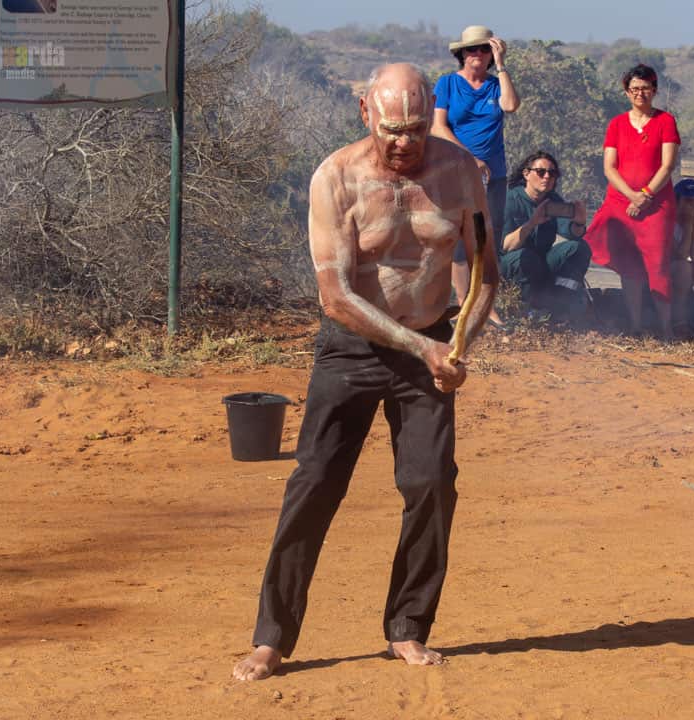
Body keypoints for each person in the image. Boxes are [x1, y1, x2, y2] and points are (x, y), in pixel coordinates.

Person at [232, 63, 498, 682]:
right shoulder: (336, 178)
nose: (404, 142)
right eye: (391, 130)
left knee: (433, 484)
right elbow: (335, 297)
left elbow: (485, 270)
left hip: (432, 344)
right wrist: (420, 348)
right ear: (364, 113)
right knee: (315, 483)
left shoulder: (460, 173)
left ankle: (408, 627)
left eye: (414, 129)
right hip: (352, 349)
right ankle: (271, 637)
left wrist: (460, 341)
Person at [431, 24, 519, 328]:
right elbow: (437, 126)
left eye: (485, 49)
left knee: (486, 240)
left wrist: (502, 64)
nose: (478, 55)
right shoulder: (447, 84)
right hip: (456, 173)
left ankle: (485, 307)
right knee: (459, 240)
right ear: (461, 54)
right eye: (472, 49)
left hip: (494, 176)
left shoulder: (496, 85)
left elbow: (511, 105)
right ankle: (463, 304)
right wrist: (470, 159)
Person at [583, 64, 680, 338]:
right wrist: (632, 196)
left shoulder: (665, 122)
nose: (640, 94)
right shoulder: (616, 124)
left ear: (655, 90)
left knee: (658, 264)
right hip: (621, 202)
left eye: (646, 88)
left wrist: (646, 195)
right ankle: (635, 326)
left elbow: (668, 164)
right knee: (629, 264)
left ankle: (666, 329)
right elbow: (609, 168)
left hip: (656, 205)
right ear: (627, 92)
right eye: (635, 89)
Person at [501, 151, 591, 316]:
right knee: (524, 257)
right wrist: (532, 223)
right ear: (526, 174)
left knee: (579, 247)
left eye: (552, 173)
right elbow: (506, 247)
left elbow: (572, 233)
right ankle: (525, 309)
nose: (547, 177)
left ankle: (561, 304)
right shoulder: (511, 199)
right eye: (541, 172)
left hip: (541, 263)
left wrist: (579, 222)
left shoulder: (553, 200)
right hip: (511, 266)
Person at [670, 178, 694, 334]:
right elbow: (680, 255)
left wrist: (693, 224)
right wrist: (686, 225)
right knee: (683, 268)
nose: (693, 206)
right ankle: (679, 320)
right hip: (665, 269)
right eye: (688, 201)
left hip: (683, 269)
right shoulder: (669, 225)